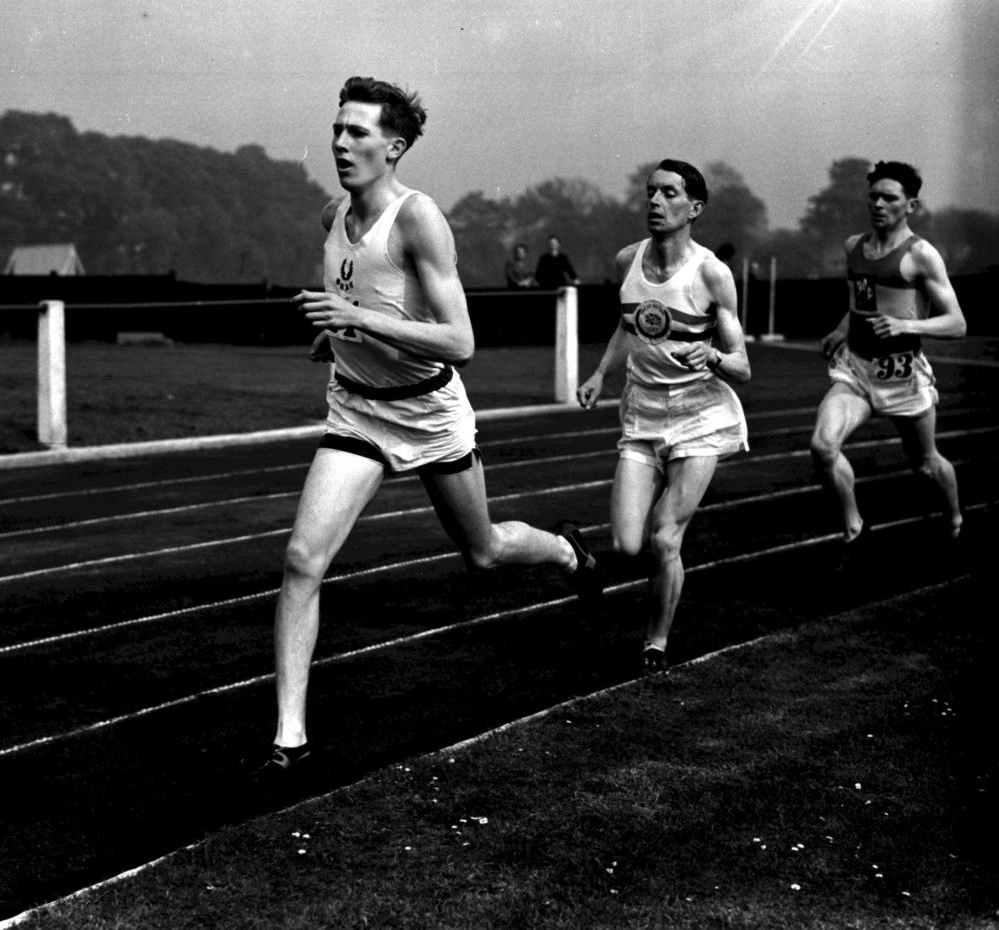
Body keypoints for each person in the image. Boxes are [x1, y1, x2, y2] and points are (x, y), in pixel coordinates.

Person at [251, 76, 602, 783]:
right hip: (356, 411)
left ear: (396, 147)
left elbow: (459, 340)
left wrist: (356, 321)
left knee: (484, 553)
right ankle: (290, 736)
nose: (340, 142)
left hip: (429, 411)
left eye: (357, 132)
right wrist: (334, 336)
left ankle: (565, 552)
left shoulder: (418, 220)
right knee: (301, 560)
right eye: (337, 128)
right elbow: (355, 300)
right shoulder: (332, 217)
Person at [576, 159, 750, 675]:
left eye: (669, 193)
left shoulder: (712, 273)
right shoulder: (626, 259)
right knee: (626, 543)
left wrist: (713, 356)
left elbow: (742, 364)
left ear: (694, 208)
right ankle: (589, 558)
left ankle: (655, 642)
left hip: (699, 415)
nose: (655, 201)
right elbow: (627, 327)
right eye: (650, 191)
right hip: (642, 412)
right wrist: (599, 375)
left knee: (664, 537)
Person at [808, 161, 966, 562]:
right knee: (823, 446)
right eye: (873, 196)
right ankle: (855, 529)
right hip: (857, 371)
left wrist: (904, 326)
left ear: (910, 205)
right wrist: (844, 328)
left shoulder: (921, 255)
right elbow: (862, 303)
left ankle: (954, 520)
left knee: (925, 463)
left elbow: (957, 323)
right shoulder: (853, 247)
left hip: (904, 377)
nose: (878, 204)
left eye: (889, 198)